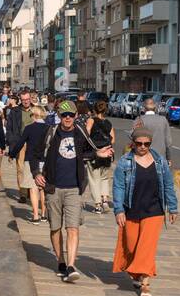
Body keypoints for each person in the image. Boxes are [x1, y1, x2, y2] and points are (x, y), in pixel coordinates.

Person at [111, 126, 179, 296]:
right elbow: (118, 187)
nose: (142, 147)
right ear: (133, 143)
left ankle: (146, 284)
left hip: (154, 210)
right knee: (132, 246)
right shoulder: (125, 162)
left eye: (146, 144)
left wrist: (172, 207)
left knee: (146, 247)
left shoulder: (159, 161)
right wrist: (119, 210)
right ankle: (136, 274)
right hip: (131, 210)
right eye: (139, 143)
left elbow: (169, 184)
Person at [35, 101, 94, 282]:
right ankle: (60, 260)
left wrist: (96, 155)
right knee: (55, 227)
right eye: (64, 115)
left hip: (74, 188)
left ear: (76, 115)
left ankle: (70, 266)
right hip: (53, 186)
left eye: (70, 115)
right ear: (59, 116)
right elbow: (36, 154)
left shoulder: (80, 132)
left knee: (73, 228)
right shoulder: (51, 132)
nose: (67, 118)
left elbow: (90, 151)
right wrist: (36, 173)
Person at [11, 104, 49, 222]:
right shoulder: (49, 128)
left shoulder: (29, 128)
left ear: (34, 115)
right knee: (43, 188)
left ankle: (35, 216)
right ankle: (43, 213)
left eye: (31, 114)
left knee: (33, 188)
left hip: (31, 161)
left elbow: (20, 143)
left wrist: (12, 154)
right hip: (45, 160)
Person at [85, 100, 116, 213]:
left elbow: (87, 136)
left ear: (94, 109)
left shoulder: (91, 120)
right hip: (107, 153)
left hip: (95, 153)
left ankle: (97, 204)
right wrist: (106, 146)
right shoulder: (108, 123)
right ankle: (105, 200)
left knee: (94, 179)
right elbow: (113, 138)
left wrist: (95, 147)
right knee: (104, 178)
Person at [133, 97, 173, 164]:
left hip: (143, 156)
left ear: (144, 108)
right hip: (160, 157)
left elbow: (132, 136)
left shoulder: (139, 120)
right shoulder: (163, 120)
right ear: (155, 108)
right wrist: (169, 158)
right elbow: (168, 142)